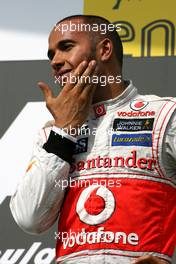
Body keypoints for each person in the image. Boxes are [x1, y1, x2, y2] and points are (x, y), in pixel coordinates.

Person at [10, 15, 176, 264]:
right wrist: (65, 131)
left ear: (105, 50)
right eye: (51, 55)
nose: (55, 62)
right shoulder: (51, 134)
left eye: (66, 47)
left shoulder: (164, 115)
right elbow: (29, 218)